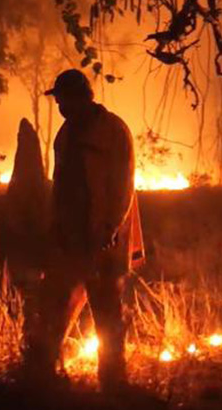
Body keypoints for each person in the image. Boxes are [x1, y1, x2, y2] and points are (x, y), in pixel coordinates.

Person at [23, 69, 143, 391]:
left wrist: (109, 228)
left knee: (107, 314)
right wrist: (55, 228)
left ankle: (113, 384)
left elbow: (123, 185)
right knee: (56, 307)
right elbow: (61, 185)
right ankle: (43, 377)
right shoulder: (65, 134)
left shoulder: (113, 131)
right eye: (58, 100)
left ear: (81, 97)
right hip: (70, 239)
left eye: (63, 99)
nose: (59, 105)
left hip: (104, 239)